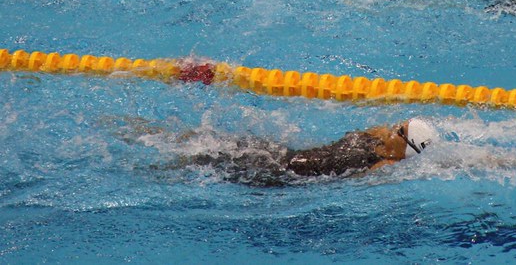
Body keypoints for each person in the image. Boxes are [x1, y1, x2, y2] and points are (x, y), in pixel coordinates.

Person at [126, 118, 437, 186]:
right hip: (279, 154)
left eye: (401, 130)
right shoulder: (378, 138)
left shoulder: (381, 164)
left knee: (202, 159)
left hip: (280, 173)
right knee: (202, 138)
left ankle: (140, 175)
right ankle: (136, 131)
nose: (395, 125)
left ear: (404, 147)